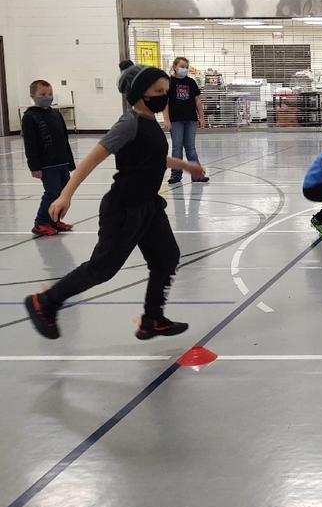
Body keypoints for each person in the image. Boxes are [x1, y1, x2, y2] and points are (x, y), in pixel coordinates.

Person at [23, 60, 206, 341]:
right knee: (102, 269)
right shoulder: (129, 123)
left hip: (149, 206)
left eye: (165, 90)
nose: (164, 96)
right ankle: (45, 302)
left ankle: (152, 319)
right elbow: (94, 158)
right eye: (158, 91)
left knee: (166, 257)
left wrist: (185, 166)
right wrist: (66, 194)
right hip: (124, 209)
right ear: (141, 94)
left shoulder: (149, 122)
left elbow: (153, 157)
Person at [22, 80, 77, 237]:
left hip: (62, 161)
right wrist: (34, 166)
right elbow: (30, 144)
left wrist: (70, 162)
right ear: (33, 96)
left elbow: (64, 138)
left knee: (62, 193)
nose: (47, 97)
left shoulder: (55, 114)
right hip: (47, 164)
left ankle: (54, 220)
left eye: (50, 94)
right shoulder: (30, 117)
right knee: (51, 192)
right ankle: (41, 222)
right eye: (43, 94)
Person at [165, 56, 209, 185]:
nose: (184, 69)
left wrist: (201, 117)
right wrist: (167, 119)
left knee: (190, 147)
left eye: (186, 67)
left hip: (191, 119)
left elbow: (197, 100)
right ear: (175, 67)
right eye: (182, 67)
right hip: (176, 120)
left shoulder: (190, 82)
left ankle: (197, 174)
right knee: (177, 147)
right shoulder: (169, 82)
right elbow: (165, 103)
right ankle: (176, 174)